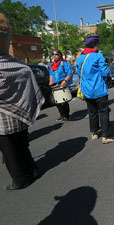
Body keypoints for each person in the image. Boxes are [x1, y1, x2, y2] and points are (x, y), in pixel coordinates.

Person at [0, 13, 44, 190]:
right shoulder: (19, 66)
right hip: (20, 115)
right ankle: (32, 170)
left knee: (10, 152)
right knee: (23, 146)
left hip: (3, 120)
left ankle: (20, 179)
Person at [76, 35, 114, 144]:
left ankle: (94, 133)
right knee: (104, 113)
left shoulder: (80, 58)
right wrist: (108, 73)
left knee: (92, 113)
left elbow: (79, 72)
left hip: (87, 91)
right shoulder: (98, 56)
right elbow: (104, 72)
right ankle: (105, 136)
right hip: (99, 90)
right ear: (95, 45)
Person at [49, 49, 73, 121]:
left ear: (60, 55)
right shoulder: (51, 65)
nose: (54, 56)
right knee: (57, 101)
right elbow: (51, 74)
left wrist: (65, 81)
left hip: (62, 83)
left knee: (64, 100)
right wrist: (50, 81)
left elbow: (69, 74)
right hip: (55, 84)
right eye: (53, 54)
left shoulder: (64, 64)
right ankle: (62, 114)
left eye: (56, 54)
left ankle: (66, 115)